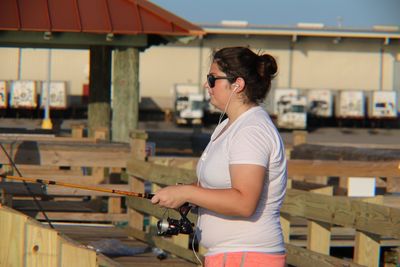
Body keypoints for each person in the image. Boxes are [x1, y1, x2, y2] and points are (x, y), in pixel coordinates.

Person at [151, 46, 287, 267]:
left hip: (248, 257)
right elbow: (217, 185)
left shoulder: (251, 130)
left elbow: (244, 202)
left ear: (237, 85)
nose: (206, 85)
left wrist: (187, 192)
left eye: (212, 79)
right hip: (228, 257)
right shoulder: (229, 125)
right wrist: (186, 196)